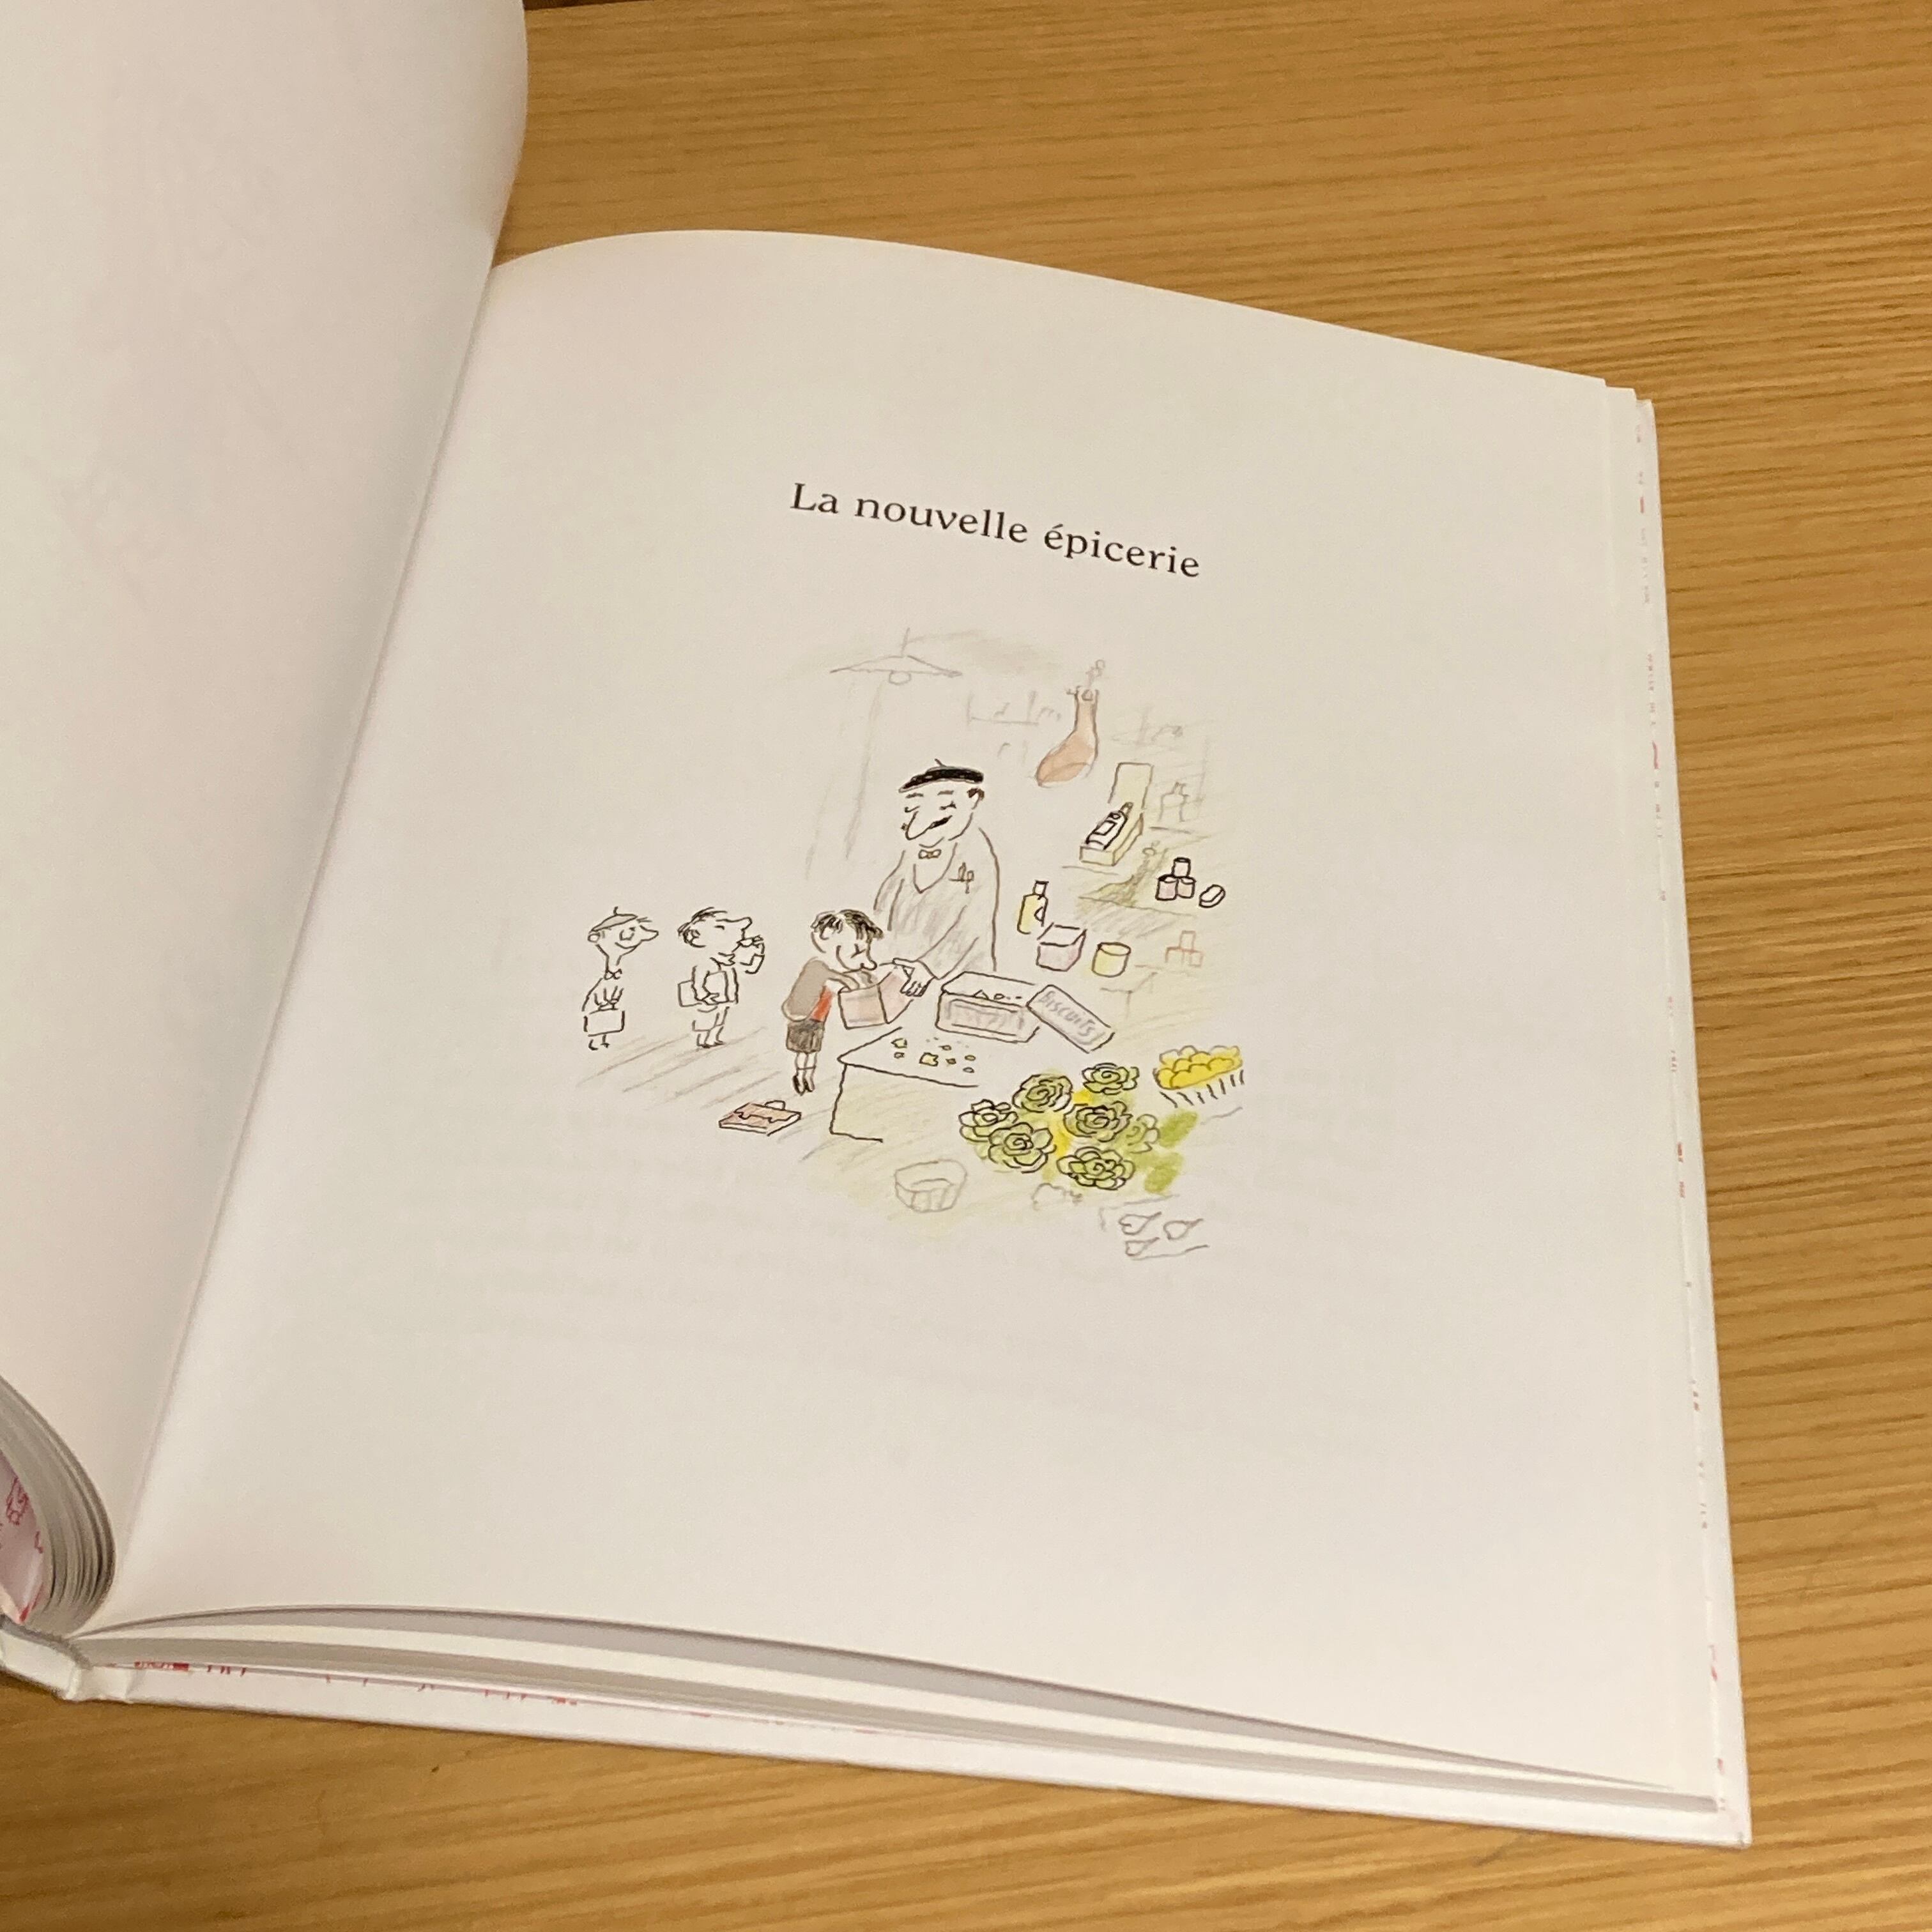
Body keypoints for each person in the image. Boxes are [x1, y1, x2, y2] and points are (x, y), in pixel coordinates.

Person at [873, 763, 1000, 997]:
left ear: (972, 800)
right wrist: (878, 952)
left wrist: (930, 967)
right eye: (916, 805)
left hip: (959, 978)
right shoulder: (913, 848)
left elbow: (972, 923)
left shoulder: (977, 854)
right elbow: (886, 901)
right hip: (903, 972)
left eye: (945, 803)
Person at [780, 908, 884, 1094]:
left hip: (817, 1021)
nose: (865, 961)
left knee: (813, 1052)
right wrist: (854, 979)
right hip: (802, 1019)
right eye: (857, 951)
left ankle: (807, 1077)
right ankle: (800, 1076)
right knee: (803, 1052)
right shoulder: (818, 966)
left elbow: (849, 981)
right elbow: (843, 980)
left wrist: (864, 975)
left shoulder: (836, 970)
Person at [677, 907, 765, 1047]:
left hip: (724, 998)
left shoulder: (729, 961)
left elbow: (750, 969)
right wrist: (704, 996)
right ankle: (702, 1039)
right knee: (706, 1019)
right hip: (709, 1000)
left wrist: (759, 953)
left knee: (720, 1019)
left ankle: (713, 1038)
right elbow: (698, 983)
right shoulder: (706, 962)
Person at [581, 907, 656, 1050]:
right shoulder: (605, 979)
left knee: (610, 1017)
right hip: (603, 1000)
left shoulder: (629, 973)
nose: (628, 935)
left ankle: (604, 1040)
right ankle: (597, 1040)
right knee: (599, 1015)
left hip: (612, 1000)